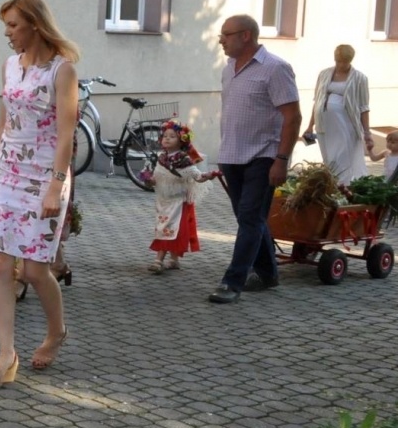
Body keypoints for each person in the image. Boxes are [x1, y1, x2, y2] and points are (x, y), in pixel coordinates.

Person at [0, 0, 78, 386]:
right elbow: (3, 122)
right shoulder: (9, 67)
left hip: (43, 177)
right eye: (6, 25)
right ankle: (6, 354)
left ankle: (57, 332)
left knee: (35, 271)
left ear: (35, 25)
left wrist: (55, 187)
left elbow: (66, 134)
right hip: (6, 174)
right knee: (0, 265)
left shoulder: (61, 71)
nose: (8, 33)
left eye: (13, 25)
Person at [209, 15, 301, 304]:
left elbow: (292, 117)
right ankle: (268, 273)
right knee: (249, 217)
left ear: (246, 36)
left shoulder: (275, 68)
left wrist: (282, 160)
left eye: (226, 34)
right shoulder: (228, 68)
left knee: (249, 217)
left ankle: (232, 281)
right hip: (232, 155)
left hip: (263, 156)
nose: (221, 40)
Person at [146, 121, 212, 272]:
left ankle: (158, 260)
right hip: (163, 200)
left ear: (181, 140)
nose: (167, 139)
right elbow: (157, 177)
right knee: (166, 227)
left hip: (178, 201)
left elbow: (196, 175)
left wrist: (207, 176)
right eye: (165, 136)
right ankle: (174, 260)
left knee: (168, 228)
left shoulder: (183, 159)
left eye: (172, 136)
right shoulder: (161, 158)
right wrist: (150, 181)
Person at [302, 44, 371, 185]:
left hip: (346, 125)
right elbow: (317, 101)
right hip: (324, 124)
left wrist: (367, 131)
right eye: (338, 61)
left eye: (344, 61)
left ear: (350, 60)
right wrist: (310, 126)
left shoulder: (360, 78)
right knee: (329, 159)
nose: (340, 64)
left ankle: (343, 188)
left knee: (342, 158)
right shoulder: (324, 74)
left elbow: (364, 107)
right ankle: (332, 187)